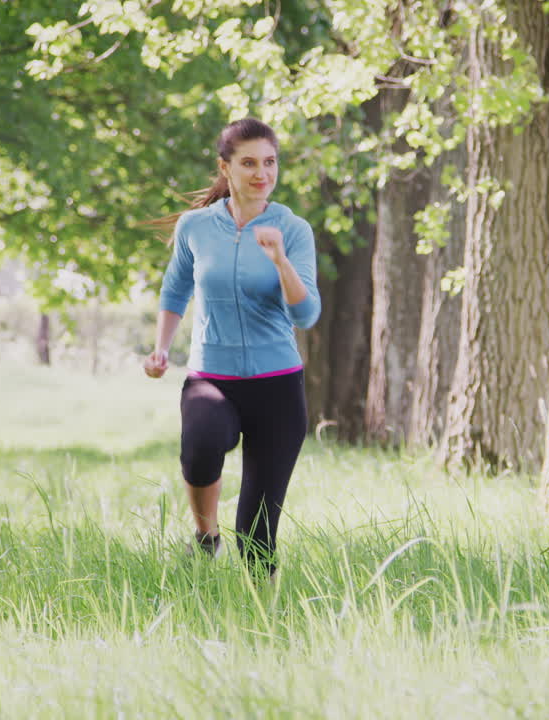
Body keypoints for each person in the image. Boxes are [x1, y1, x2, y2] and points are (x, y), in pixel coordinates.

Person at [143, 117, 320, 577]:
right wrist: (161, 348)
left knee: (257, 536)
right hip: (211, 377)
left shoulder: (293, 230)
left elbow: (306, 315)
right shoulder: (195, 227)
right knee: (200, 446)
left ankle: (267, 626)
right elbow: (175, 290)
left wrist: (281, 261)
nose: (261, 173)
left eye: (269, 162)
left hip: (277, 386)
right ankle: (205, 537)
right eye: (249, 163)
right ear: (226, 168)